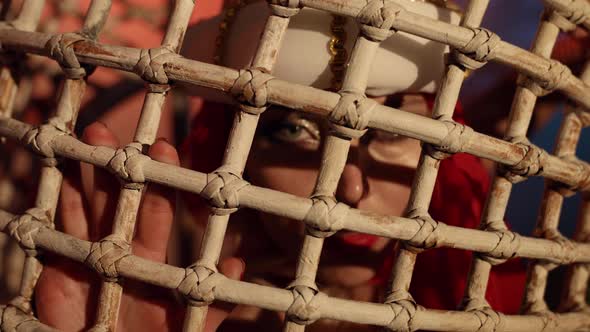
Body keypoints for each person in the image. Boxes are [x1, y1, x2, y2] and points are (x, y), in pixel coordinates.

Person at [35, 1, 526, 331]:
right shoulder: (190, 310)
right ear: (234, 155)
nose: (350, 188)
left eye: (397, 130)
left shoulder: (492, 301)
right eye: (293, 130)